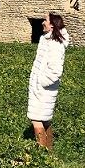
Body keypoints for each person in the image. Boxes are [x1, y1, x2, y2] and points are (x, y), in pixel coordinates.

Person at [27, 12, 70, 150]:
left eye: (45, 20)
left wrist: (41, 82)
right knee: (45, 120)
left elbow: (55, 70)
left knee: (36, 119)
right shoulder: (47, 39)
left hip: (43, 90)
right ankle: (49, 150)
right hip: (41, 89)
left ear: (52, 25)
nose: (42, 22)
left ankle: (41, 153)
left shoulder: (55, 44)